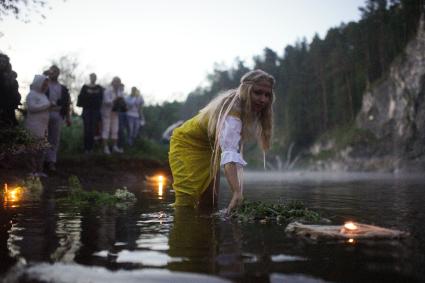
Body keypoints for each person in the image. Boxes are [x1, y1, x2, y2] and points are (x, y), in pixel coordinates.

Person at [169, 69, 275, 213]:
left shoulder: (247, 108)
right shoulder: (232, 110)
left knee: (210, 203)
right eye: (258, 92)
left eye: (267, 95)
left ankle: (208, 233)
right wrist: (237, 192)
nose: (263, 99)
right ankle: (182, 230)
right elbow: (230, 152)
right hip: (186, 144)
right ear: (246, 90)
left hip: (211, 148)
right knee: (186, 201)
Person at [45, 65, 71, 172]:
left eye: (56, 71)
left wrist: (68, 117)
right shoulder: (44, 85)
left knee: (54, 139)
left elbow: (67, 103)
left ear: (58, 73)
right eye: (52, 71)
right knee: (43, 137)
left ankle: (51, 162)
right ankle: (42, 161)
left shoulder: (63, 88)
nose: (54, 73)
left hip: (58, 114)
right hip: (44, 113)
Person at [24, 74, 52, 177]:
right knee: (32, 148)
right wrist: (47, 105)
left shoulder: (44, 95)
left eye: (46, 84)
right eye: (43, 84)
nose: (45, 86)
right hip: (33, 125)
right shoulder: (32, 94)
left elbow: (44, 107)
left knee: (41, 149)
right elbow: (32, 108)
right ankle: (32, 171)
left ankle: (39, 170)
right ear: (38, 83)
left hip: (43, 126)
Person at [77, 73, 104, 153]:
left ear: (96, 78)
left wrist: (91, 94)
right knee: (86, 129)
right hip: (86, 111)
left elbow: (101, 99)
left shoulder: (99, 88)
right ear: (90, 78)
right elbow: (81, 99)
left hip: (95, 111)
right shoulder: (85, 87)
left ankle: (91, 148)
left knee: (93, 129)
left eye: (94, 77)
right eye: (92, 77)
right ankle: (86, 148)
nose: (93, 78)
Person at [101, 76, 125, 154]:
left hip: (115, 113)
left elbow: (122, 102)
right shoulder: (107, 91)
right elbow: (106, 101)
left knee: (115, 130)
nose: (117, 83)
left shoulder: (120, 92)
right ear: (112, 82)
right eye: (116, 82)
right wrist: (115, 100)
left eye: (119, 82)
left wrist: (122, 104)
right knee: (106, 130)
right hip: (107, 113)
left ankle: (114, 147)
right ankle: (105, 147)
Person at [0, 53, 21, 127]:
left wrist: (17, 100)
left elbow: (15, 92)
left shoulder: (11, 78)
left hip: (8, 109)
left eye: (4, 62)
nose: (1, 63)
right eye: (0, 61)